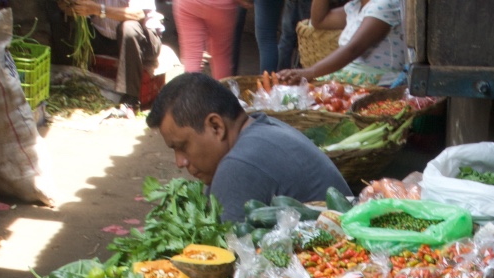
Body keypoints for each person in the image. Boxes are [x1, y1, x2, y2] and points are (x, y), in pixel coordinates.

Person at [146, 73, 351, 222]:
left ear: (216, 126)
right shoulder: (262, 128)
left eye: (182, 147)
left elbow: (223, 257)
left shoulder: (239, 165)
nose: (180, 162)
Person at [276, 0, 406, 87]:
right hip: (352, 81)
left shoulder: (384, 4)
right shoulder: (355, 7)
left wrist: (310, 72)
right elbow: (319, 21)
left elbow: (354, 48)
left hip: (378, 85)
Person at [63, 0, 163, 107]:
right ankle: (66, 83)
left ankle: (130, 99)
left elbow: (138, 14)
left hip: (142, 40)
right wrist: (71, 7)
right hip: (103, 36)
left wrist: (98, 9)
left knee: (129, 27)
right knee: (62, 19)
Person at [173, 0, 239, 79]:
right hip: (222, 5)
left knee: (191, 57)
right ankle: (221, 89)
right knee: (221, 56)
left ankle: (191, 90)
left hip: (188, 3)